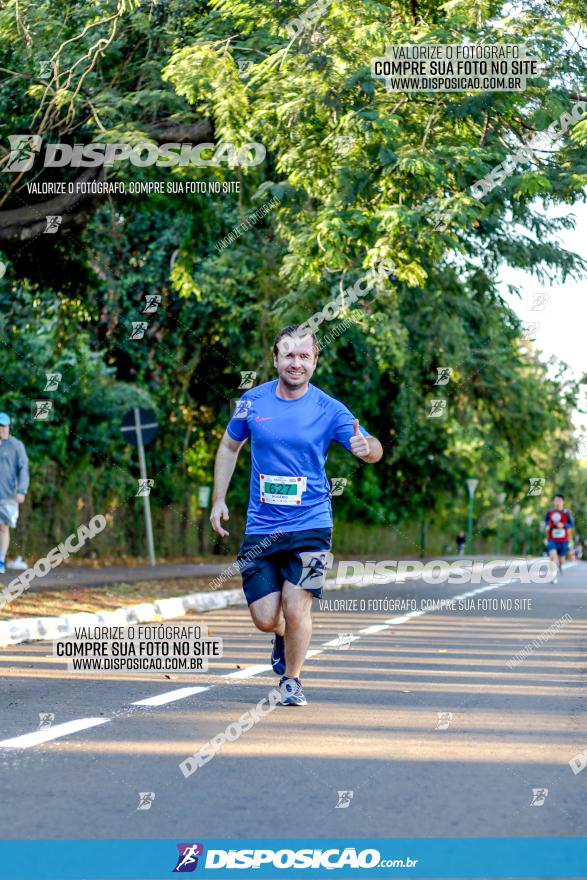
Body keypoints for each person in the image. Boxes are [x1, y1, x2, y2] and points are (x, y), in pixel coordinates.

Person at [209, 325, 383, 706]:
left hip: (312, 525)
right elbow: (229, 446)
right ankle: (280, 635)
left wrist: (365, 448)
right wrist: (219, 499)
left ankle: (292, 679)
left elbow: (375, 448)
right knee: (266, 617)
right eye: (288, 355)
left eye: (304, 356)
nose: (296, 363)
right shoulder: (252, 403)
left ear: (315, 362)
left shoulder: (329, 409)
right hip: (262, 526)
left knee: (297, 604)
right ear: (275, 359)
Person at [0, 412, 29, 574]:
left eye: (3, 426)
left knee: (3, 528)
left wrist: (22, 490)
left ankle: (1, 561)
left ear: (9, 427)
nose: (1, 430)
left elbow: (23, 468)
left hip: (8, 496)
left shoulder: (16, 445)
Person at [544, 493, 574, 578]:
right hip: (552, 539)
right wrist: (546, 526)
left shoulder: (566, 512)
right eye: (556, 500)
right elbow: (545, 521)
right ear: (553, 502)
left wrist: (563, 526)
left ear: (562, 502)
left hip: (563, 540)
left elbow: (571, 524)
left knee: (561, 559)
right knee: (552, 554)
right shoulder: (550, 512)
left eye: (559, 500)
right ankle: (552, 574)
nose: (558, 502)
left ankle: (560, 565)